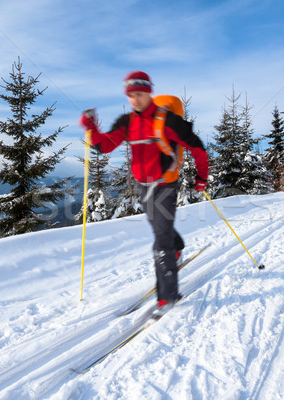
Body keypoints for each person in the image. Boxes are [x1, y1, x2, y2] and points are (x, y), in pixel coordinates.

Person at [79, 71, 209, 312]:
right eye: (131, 95)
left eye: (139, 94)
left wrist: (202, 177)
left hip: (165, 185)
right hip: (143, 185)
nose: (135, 100)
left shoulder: (168, 121)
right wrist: (91, 128)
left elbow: (198, 147)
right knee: (161, 229)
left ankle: (167, 297)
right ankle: (176, 247)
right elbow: (105, 146)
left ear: (149, 92)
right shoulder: (128, 122)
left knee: (160, 243)